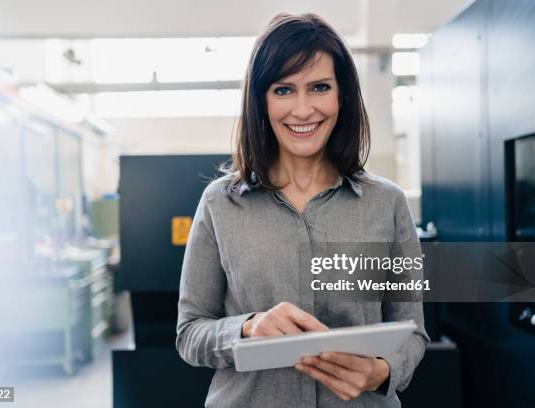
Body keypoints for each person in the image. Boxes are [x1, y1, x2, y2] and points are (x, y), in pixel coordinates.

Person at [176, 12, 429, 408]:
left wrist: (382, 372)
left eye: (319, 87)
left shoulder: (387, 204)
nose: (303, 109)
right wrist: (248, 328)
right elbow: (190, 333)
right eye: (283, 90)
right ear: (261, 100)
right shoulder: (220, 203)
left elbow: (414, 333)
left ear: (341, 95)